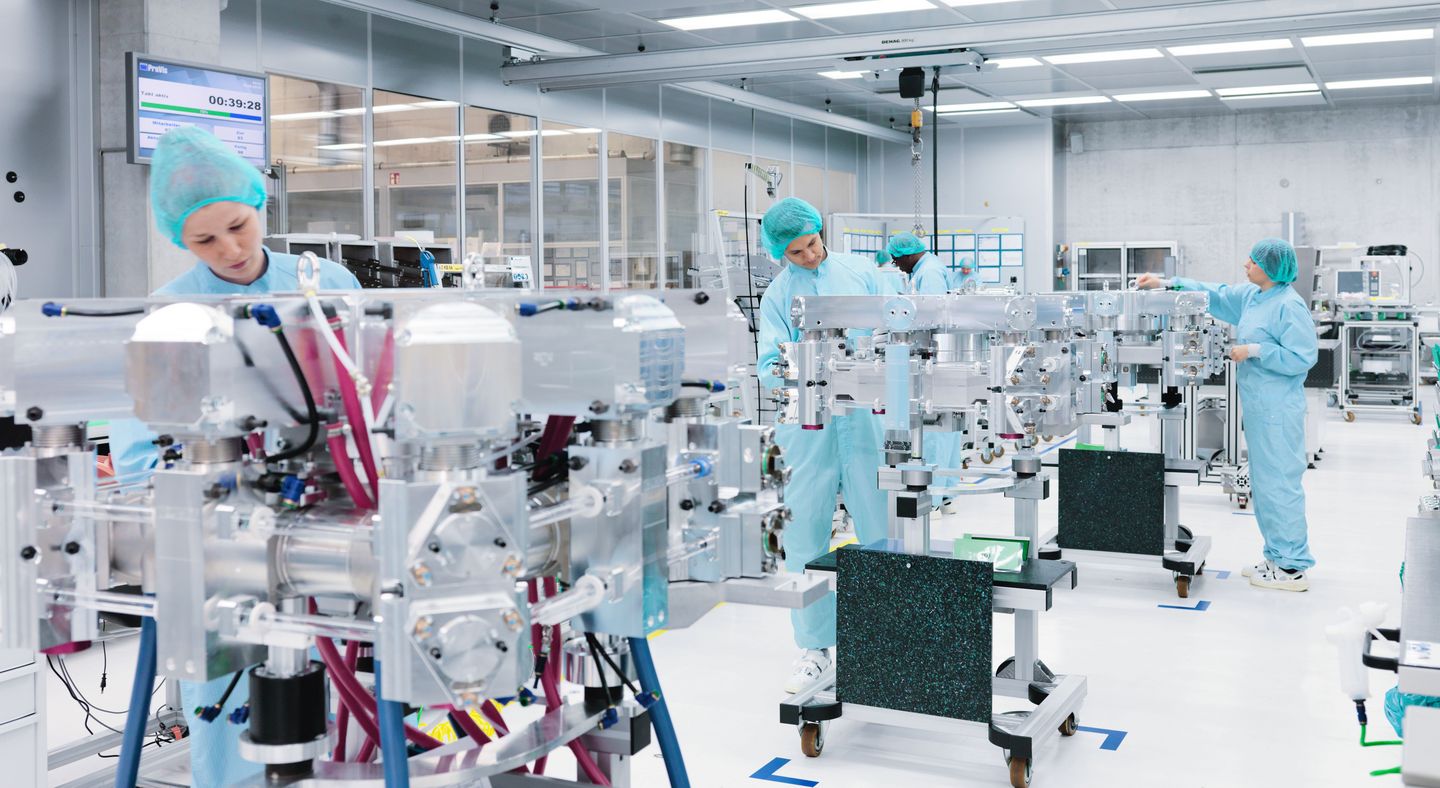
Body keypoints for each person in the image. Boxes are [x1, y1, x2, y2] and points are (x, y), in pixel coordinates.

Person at [119, 124, 361, 786]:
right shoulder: (172, 312)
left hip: (325, 521)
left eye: (237, 225)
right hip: (223, 539)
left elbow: (371, 392)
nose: (228, 248)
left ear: (260, 203)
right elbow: (141, 440)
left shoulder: (324, 282)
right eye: (204, 239)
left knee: (331, 685)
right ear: (179, 241)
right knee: (226, 692)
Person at [756, 198, 889, 692]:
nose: (810, 255)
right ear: (780, 254)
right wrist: (802, 370)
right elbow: (768, 364)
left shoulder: (861, 273)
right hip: (807, 419)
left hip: (864, 412)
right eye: (796, 252)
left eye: (812, 243)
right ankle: (815, 648)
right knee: (804, 528)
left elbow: (895, 330)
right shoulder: (777, 297)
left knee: (881, 521)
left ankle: (885, 635)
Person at [1137, 238, 1317, 591]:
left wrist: (1255, 350)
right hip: (1261, 407)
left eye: (1253, 260)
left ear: (1272, 268)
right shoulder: (1254, 298)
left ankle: (1292, 567)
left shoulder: (1288, 305)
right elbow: (1215, 294)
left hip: (1278, 409)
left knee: (1280, 485)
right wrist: (1168, 284)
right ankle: (1276, 558)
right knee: (1266, 487)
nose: (1245, 263)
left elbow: (1302, 357)